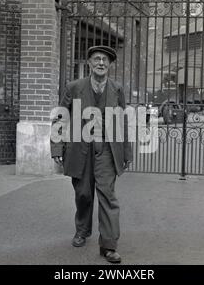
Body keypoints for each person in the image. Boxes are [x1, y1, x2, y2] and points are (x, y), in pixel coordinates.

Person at [51, 45, 132, 263]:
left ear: (110, 65)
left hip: (107, 150)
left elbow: (123, 121)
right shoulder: (74, 87)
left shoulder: (117, 89)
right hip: (81, 149)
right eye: (96, 59)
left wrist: (126, 151)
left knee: (107, 195)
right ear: (89, 63)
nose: (101, 63)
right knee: (84, 194)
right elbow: (60, 117)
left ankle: (109, 245)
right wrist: (57, 147)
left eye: (105, 60)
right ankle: (82, 230)